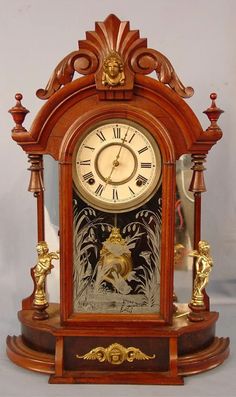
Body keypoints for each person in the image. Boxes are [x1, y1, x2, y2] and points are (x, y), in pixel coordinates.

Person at [33, 241, 59, 306]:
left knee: (39, 284)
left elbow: (47, 267)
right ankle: (40, 295)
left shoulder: (47, 258)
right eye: (37, 251)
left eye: (39, 251)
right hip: (37, 273)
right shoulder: (40, 257)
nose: (38, 253)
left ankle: (40, 295)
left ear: (44, 250)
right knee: (39, 285)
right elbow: (38, 264)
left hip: (42, 274)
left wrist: (41, 266)